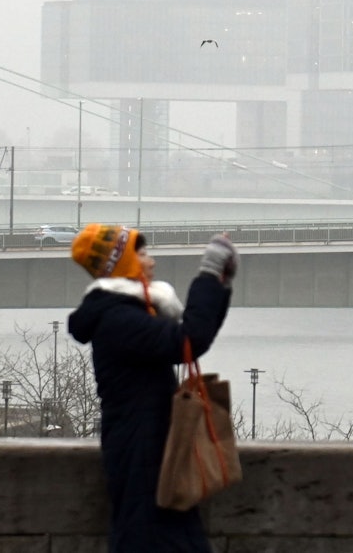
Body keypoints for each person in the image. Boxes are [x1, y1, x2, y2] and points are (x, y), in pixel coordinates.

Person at [68, 224, 238, 553]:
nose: (152, 261)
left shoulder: (124, 313)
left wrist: (219, 281)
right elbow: (189, 341)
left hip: (147, 446)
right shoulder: (119, 320)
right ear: (123, 265)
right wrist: (210, 273)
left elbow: (191, 338)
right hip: (142, 451)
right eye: (142, 254)